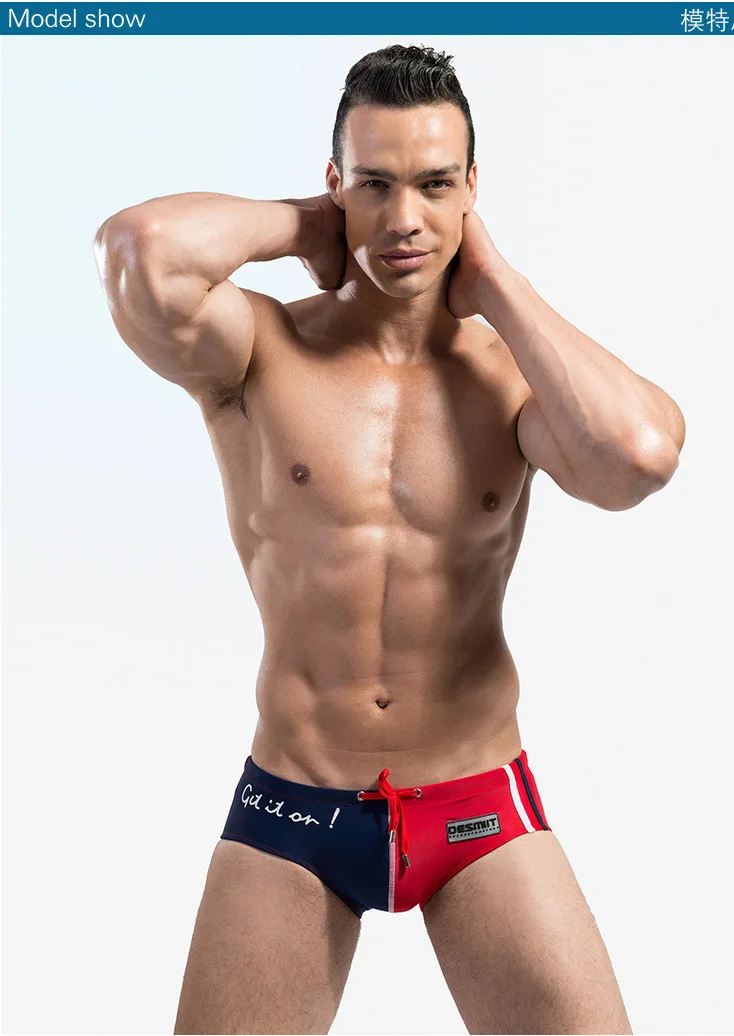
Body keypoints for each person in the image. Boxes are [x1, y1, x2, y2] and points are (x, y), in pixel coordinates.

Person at [93, 43, 684, 1036]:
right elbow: (137, 251)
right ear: (337, 183)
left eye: (434, 184)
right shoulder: (261, 348)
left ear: (472, 189)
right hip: (296, 806)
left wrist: (493, 280)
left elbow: (638, 455)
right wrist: (305, 226)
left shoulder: (510, 379)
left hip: (475, 802)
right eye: (375, 184)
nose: (405, 217)